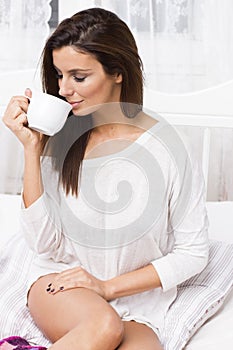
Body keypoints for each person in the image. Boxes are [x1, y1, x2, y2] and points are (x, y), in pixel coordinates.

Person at [1, 7, 209, 350]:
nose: (64, 89)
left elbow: (193, 253)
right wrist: (31, 151)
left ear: (117, 73)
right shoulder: (60, 138)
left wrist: (108, 286)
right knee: (103, 327)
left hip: (139, 301)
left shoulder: (170, 150)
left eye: (78, 77)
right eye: (58, 75)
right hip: (63, 282)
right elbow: (43, 244)